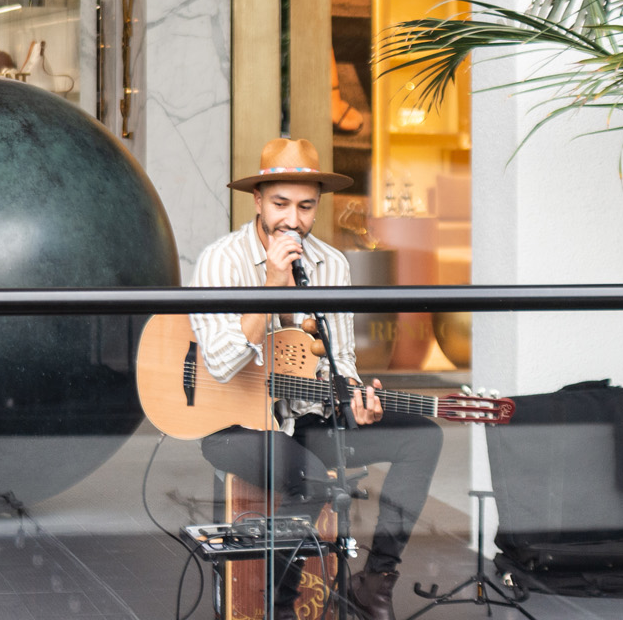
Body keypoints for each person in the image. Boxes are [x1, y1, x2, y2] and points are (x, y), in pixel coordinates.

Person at [189, 138, 443, 620]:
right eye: (281, 203)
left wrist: (356, 401)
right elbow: (221, 364)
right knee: (309, 483)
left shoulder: (333, 264)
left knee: (423, 437)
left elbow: (340, 359)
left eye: (306, 207)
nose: (293, 219)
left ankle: (375, 582)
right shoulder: (221, 261)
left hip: (308, 415)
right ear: (258, 200)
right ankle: (280, 610)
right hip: (233, 425)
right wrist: (270, 288)